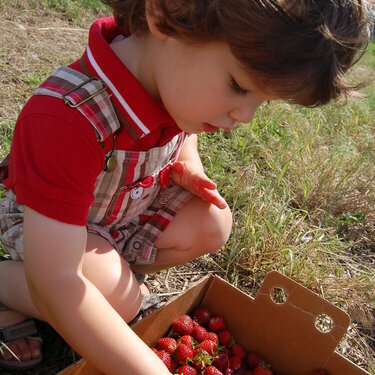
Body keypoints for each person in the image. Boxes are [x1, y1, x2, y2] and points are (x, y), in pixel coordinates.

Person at [0, 0, 371, 373]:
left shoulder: (168, 79)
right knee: (115, 297)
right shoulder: (68, 118)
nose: (245, 116)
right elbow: (56, 280)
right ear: (164, 14)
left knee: (213, 222)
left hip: (120, 214)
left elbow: (182, 134)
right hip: (51, 232)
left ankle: (112, 285)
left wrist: (188, 163)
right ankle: (8, 287)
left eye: (263, 100)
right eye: (238, 86)